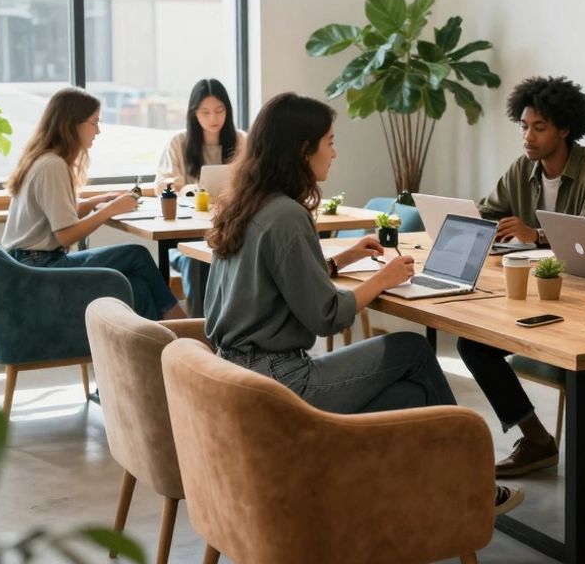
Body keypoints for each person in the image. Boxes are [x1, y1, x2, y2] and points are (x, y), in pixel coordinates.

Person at [203, 92, 522, 514]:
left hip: (240, 375)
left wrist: (339, 260)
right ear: (303, 150)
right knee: (411, 349)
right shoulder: (287, 216)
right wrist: (383, 278)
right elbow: (326, 316)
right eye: (330, 141)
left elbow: (271, 283)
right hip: (283, 383)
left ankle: (427, 494)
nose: (334, 153)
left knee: (410, 395)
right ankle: (472, 485)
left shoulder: (246, 204)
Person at [464, 76, 585, 477]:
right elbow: (488, 211)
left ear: (565, 129)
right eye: (524, 126)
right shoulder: (522, 168)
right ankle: (536, 438)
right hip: (534, 292)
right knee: (473, 344)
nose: (528, 137)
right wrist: (474, 226)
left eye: (539, 128)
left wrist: (535, 235)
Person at [2, 87, 179, 321]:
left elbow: (59, 212)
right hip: (42, 268)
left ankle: (162, 341)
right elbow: (65, 235)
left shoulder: (43, 159)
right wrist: (110, 210)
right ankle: (181, 323)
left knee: (140, 287)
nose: (98, 130)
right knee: (136, 255)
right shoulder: (53, 166)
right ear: (72, 124)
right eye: (94, 122)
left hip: (29, 262)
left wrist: (101, 199)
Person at [154, 79, 246, 317]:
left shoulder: (240, 141)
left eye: (219, 111)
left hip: (229, 231)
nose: (213, 118)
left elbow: (253, 181)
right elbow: (163, 184)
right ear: (194, 114)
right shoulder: (179, 142)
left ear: (228, 110)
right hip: (185, 235)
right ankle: (200, 332)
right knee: (196, 259)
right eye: (205, 112)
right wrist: (190, 191)